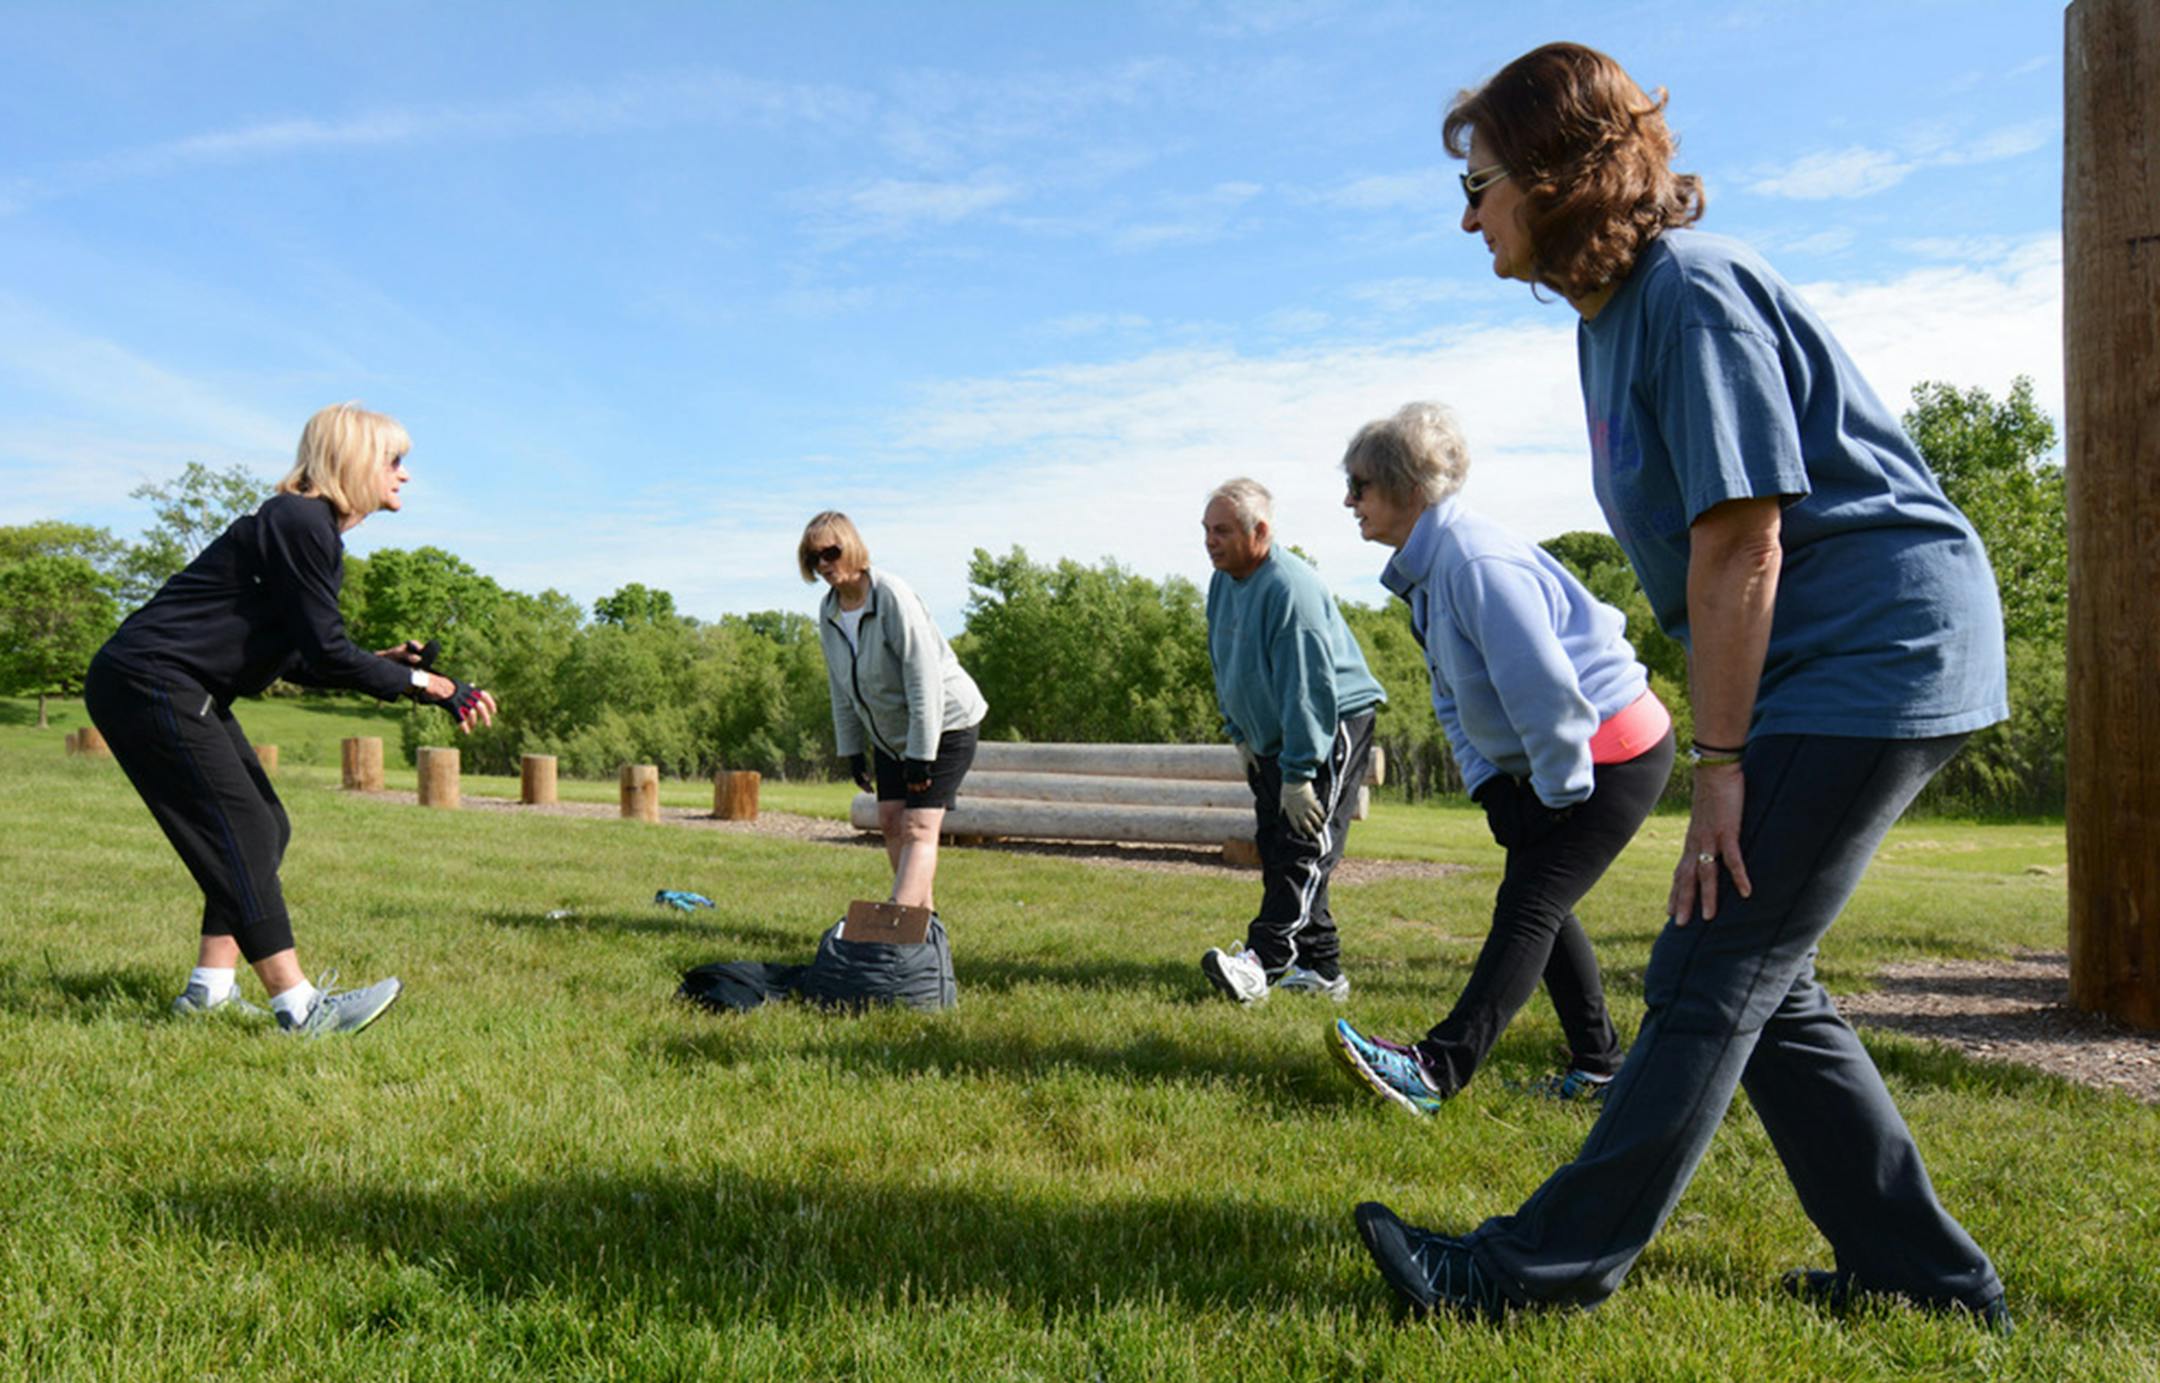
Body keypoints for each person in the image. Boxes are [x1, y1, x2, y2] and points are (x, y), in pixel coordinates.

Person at [1353, 43, 2010, 1329]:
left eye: (1481, 181)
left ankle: (1528, 1275)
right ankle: (1926, 1282)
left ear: (1558, 176)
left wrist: (1721, 768)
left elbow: (1742, 539)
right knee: (1766, 980)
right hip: (1820, 663)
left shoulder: (1693, 296)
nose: (1468, 211)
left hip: (1878, 650)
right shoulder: (1612, 323)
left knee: (1710, 970)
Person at [84, 402, 496, 1037]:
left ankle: (208, 993)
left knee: (266, 827)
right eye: (395, 460)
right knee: (243, 827)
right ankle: (299, 1006)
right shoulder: (300, 521)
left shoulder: (307, 529)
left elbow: (304, 657)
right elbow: (327, 652)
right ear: (356, 459)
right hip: (152, 681)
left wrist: (389, 668)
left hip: (176, 684)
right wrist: (430, 685)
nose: (404, 474)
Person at [1329, 402, 1674, 1113]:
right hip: (1571, 754)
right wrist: (1492, 787)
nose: (1349, 501)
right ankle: (1600, 1064)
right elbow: (1456, 697)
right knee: (1540, 900)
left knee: (1531, 903)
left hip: (1609, 747)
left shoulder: (1472, 561)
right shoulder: (1429, 570)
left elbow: (1548, 694)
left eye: (1360, 485)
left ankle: (1434, 1069)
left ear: (1407, 488)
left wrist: (1553, 793)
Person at [1198, 478, 1386, 1003]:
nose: (1211, 541)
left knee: (1304, 849)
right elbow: (1223, 662)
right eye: (1207, 530)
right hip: (1271, 736)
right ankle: (1322, 970)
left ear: (1260, 531)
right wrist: (1240, 735)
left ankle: (1262, 963)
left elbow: (1310, 690)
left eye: (1223, 530)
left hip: (1328, 723)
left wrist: (1301, 773)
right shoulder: (1222, 581)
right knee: (1277, 845)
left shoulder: (1289, 588)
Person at [803, 512, 987, 914]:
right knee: (889, 819)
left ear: (851, 547)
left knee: (918, 827)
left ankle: (892, 928)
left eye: (831, 552)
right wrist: (851, 748)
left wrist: (921, 758)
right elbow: (841, 685)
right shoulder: (829, 609)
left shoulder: (892, 596)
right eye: (814, 557)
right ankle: (921, 926)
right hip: (890, 733)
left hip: (945, 722)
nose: (823, 564)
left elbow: (924, 681)